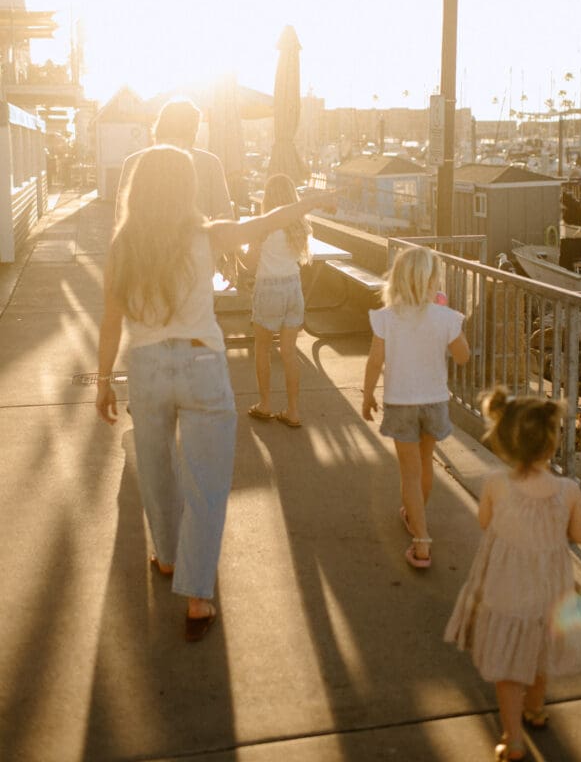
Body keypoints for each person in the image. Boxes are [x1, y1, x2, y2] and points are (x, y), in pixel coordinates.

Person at [95, 145, 336, 642]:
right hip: (202, 363)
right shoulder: (207, 236)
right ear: (187, 188)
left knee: (157, 469)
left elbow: (111, 322)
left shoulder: (123, 245)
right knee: (206, 482)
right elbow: (267, 221)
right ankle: (199, 595)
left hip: (146, 367)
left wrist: (102, 381)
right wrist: (313, 201)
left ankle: (166, 556)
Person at [443, 387, 581, 761]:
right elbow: (580, 535)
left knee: (509, 664)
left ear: (505, 439)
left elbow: (484, 521)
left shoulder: (495, 484)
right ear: (552, 442)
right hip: (549, 586)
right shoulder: (568, 490)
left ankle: (513, 739)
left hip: (505, 585)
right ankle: (536, 710)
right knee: (539, 650)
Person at [362, 246, 470, 568]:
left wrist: (367, 394)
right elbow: (463, 356)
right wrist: (448, 326)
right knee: (425, 464)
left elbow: (374, 361)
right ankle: (415, 516)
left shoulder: (386, 318)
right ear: (432, 281)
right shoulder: (445, 317)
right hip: (434, 401)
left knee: (409, 473)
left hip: (401, 402)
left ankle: (421, 540)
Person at [245, 174, 311, 428]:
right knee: (289, 351)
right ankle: (293, 411)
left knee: (262, 348)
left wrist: (239, 255)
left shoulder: (264, 226)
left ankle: (265, 404)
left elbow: (251, 265)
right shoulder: (299, 226)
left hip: (269, 288)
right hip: (293, 287)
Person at [116, 97, 234, 222]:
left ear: (159, 127)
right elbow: (224, 217)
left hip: (146, 241)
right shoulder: (210, 163)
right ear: (193, 130)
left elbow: (122, 220)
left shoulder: (133, 162)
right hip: (195, 240)